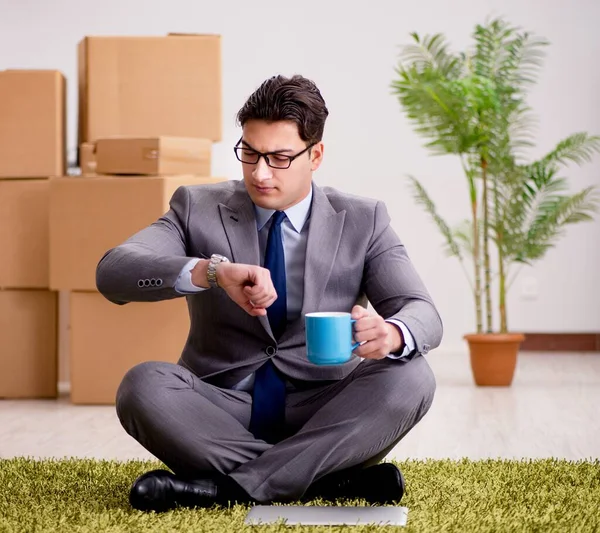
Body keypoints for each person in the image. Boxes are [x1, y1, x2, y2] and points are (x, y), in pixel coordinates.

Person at [96, 74, 442, 512]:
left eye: (279, 158)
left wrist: (392, 333)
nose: (259, 173)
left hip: (324, 412)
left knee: (413, 374)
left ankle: (226, 490)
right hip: (218, 410)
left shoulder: (363, 219)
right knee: (142, 385)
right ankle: (323, 483)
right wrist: (210, 272)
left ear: (315, 155)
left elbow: (423, 312)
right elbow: (114, 272)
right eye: (250, 153)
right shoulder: (195, 207)